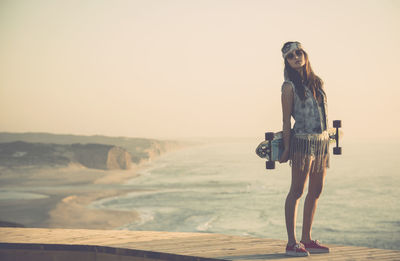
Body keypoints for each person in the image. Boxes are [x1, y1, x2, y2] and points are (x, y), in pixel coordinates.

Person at [279, 41, 330, 257]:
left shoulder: (317, 83)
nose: (296, 57)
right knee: (297, 191)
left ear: (305, 55)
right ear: (287, 62)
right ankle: (292, 243)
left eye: (299, 52)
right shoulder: (288, 87)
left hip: (321, 142)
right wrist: (287, 149)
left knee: (316, 191)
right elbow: (285, 122)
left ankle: (307, 239)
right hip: (302, 142)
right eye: (291, 56)